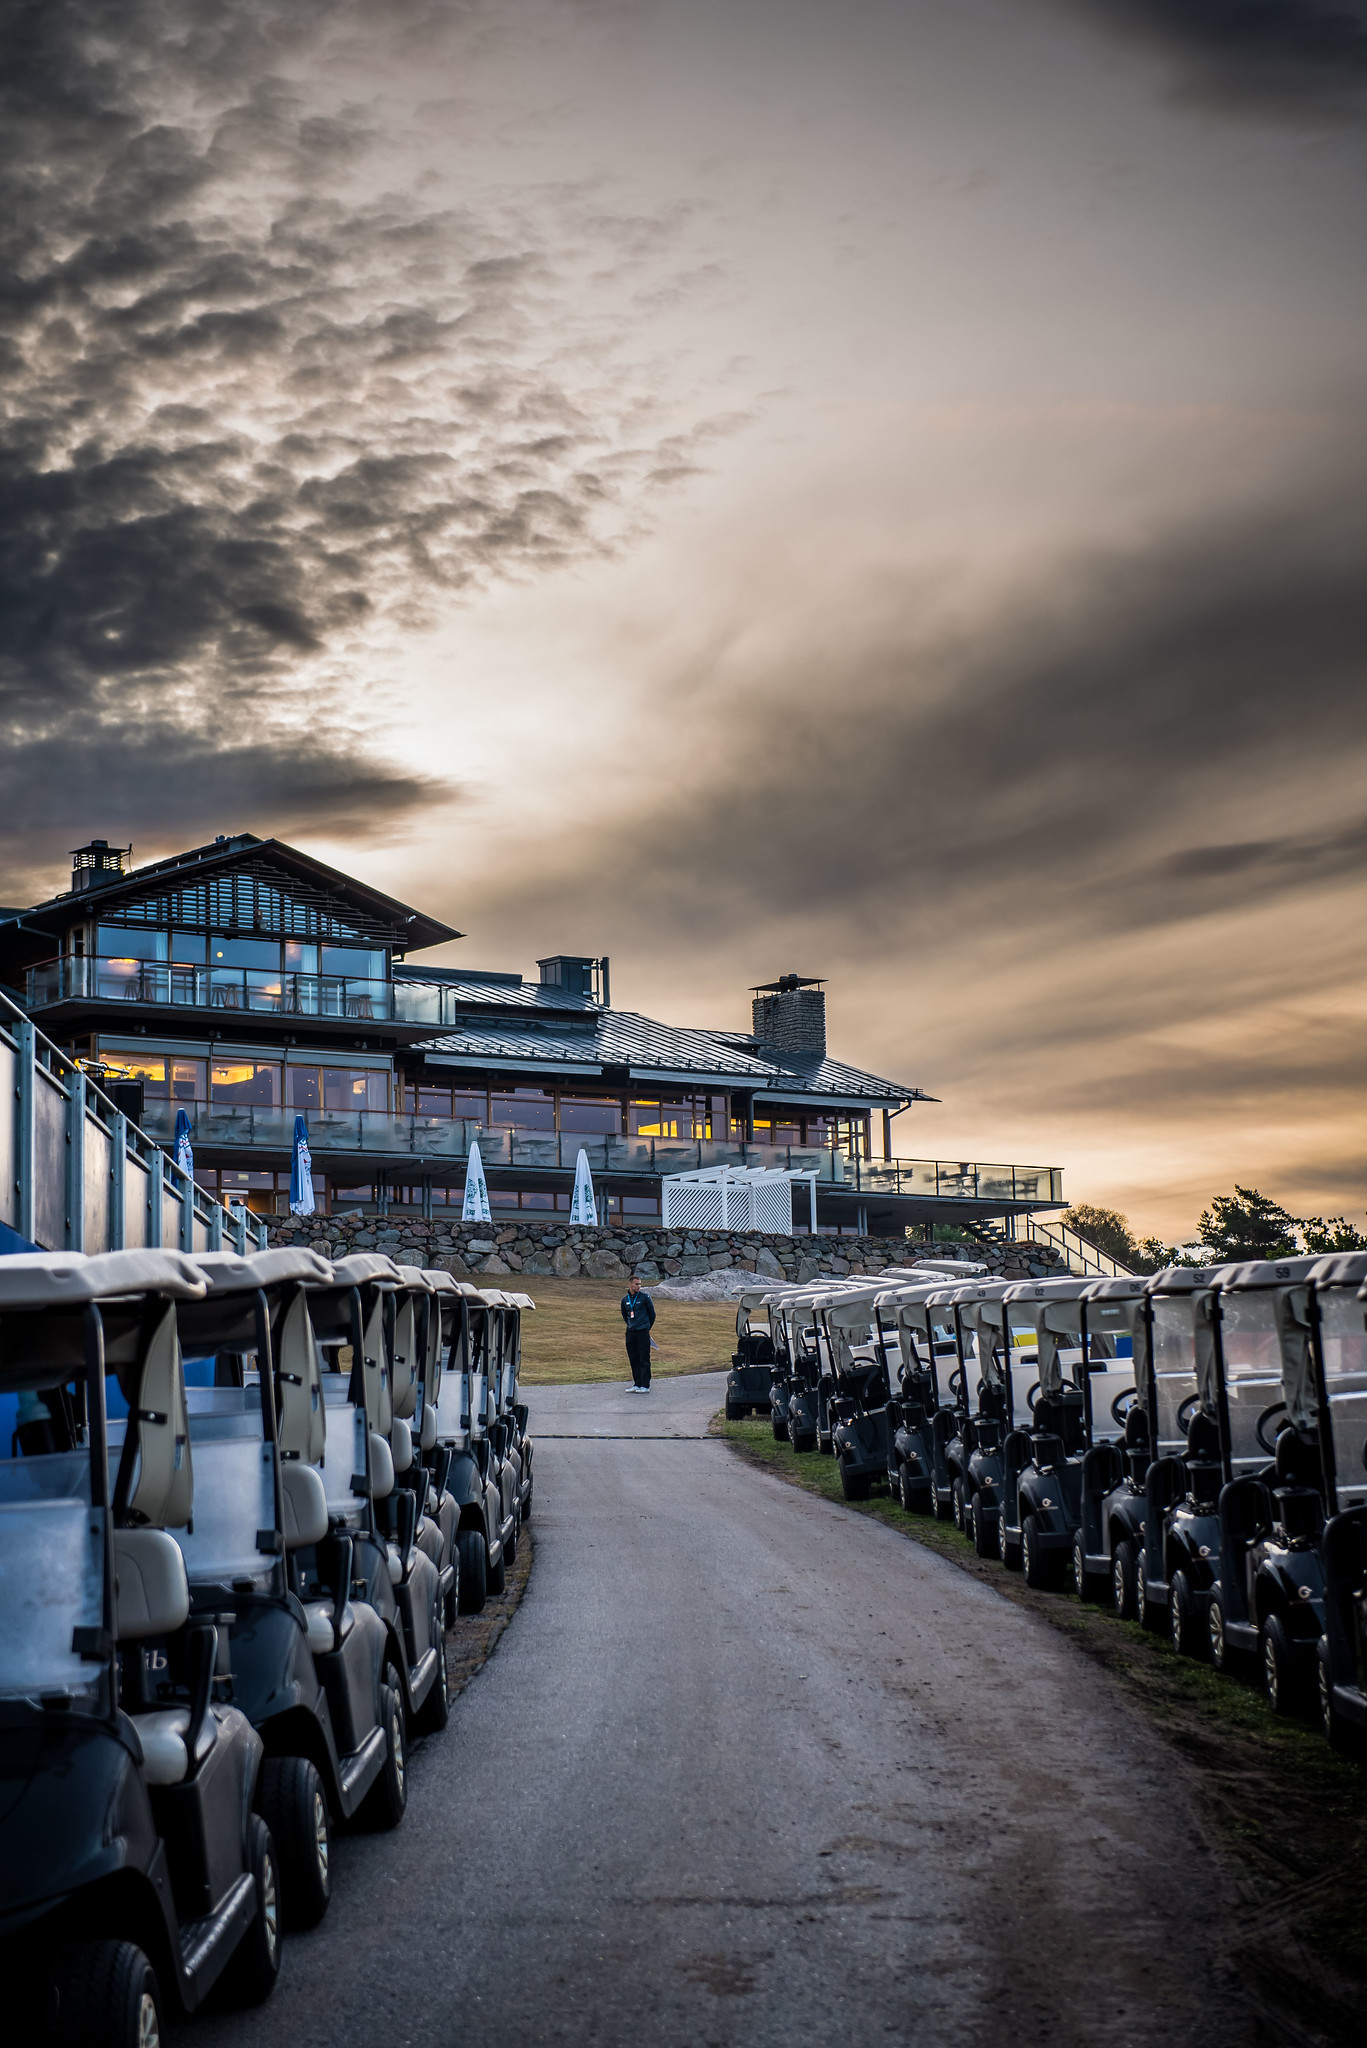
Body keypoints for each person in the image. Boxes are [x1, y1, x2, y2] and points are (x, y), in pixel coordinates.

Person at [621, 1277, 656, 1391]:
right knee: (633, 1358)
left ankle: (645, 1385)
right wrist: (632, 1325)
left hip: (643, 1332)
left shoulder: (644, 1298)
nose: (639, 1286)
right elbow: (624, 1315)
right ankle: (637, 1383)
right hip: (631, 1332)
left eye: (640, 1284)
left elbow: (652, 1314)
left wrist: (645, 1327)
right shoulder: (625, 1299)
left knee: (643, 1359)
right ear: (630, 1284)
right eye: (636, 1284)